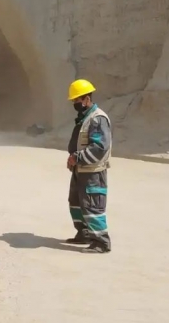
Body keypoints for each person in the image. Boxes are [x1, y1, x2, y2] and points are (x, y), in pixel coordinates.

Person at [65, 79, 112, 254]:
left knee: (93, 206)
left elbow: (100, 147)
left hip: (92, 172)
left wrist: (78, 157)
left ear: (86, 99)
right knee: (76, 203)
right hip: (80, 170)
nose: (74, 104)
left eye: (76, 101)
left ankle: (101, 242)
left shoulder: (97, 119)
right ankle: (84, 233)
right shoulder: (84, 118)